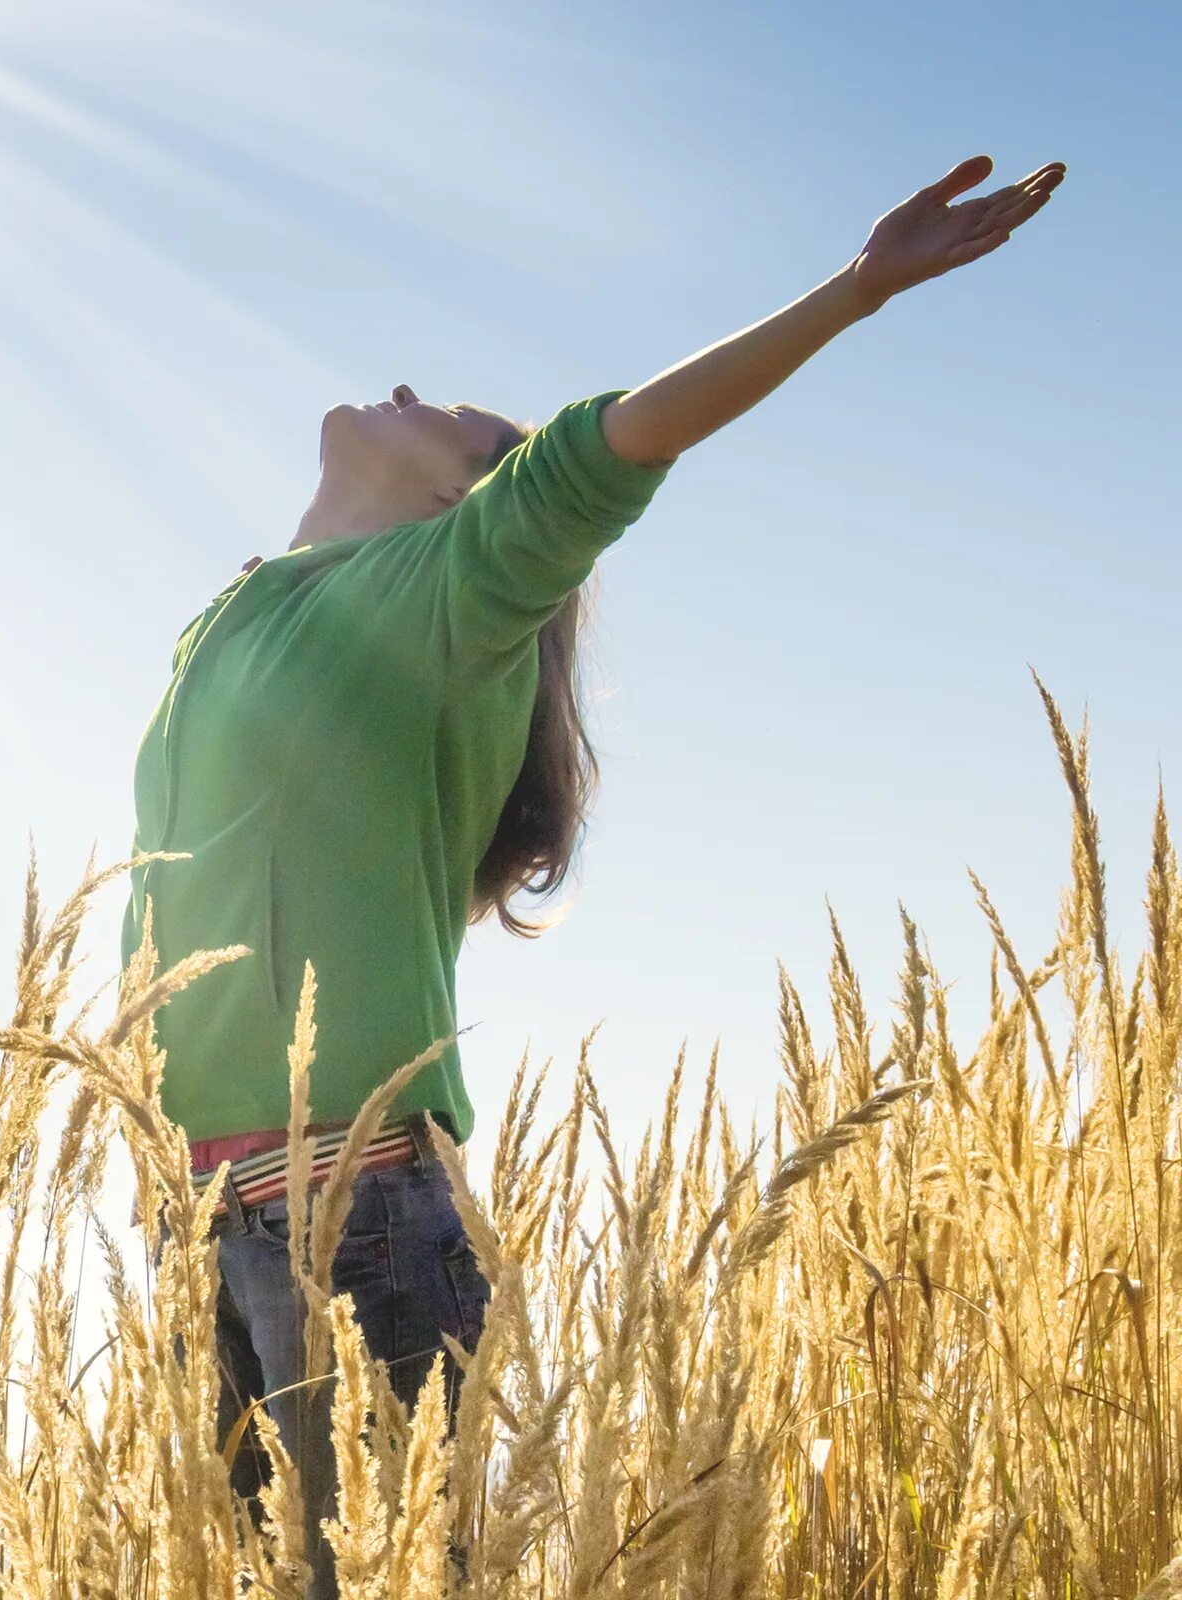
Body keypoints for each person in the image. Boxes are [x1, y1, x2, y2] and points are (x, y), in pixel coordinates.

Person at [119, 153, 1065, 1594]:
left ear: (459, 497)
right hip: (218, 1222)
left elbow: (608, 450)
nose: (405, 386)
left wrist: (859, 291)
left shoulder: (448, 596)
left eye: (440, 414)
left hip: (356, 1222)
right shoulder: (234, 618)